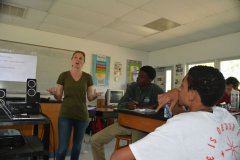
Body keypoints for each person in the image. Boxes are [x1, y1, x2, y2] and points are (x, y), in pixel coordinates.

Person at [111, 65, 240, 160]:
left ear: (192, 95)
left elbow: (118, 157)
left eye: (182, 86)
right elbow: (190, 117)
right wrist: (176, 93)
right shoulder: (227, 116)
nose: (178, 89)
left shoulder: (180, 125)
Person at [90, 65, 164, 160]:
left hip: (141, 127)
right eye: (138, 75)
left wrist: (153, 106)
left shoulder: (155, 89)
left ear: (149, 80)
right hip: (125, 123)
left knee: (136, 153)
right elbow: (120, 104)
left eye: (142, 76)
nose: (138, 78)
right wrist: (127, 105)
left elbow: (165, 105)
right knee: (94, 140)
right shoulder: (132, 86)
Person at [47, 50, 102, 160]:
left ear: (83, 62)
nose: (78, 59)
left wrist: (95, 95)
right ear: (71, 60)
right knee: (62, 147)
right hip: (65, 115)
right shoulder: (63, 75)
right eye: (75, 57)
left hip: (81, 116)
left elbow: (90, 97)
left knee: (77, 147)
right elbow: (58, 96)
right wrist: (54, 93)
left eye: (80, 58)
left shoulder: (87, 77)